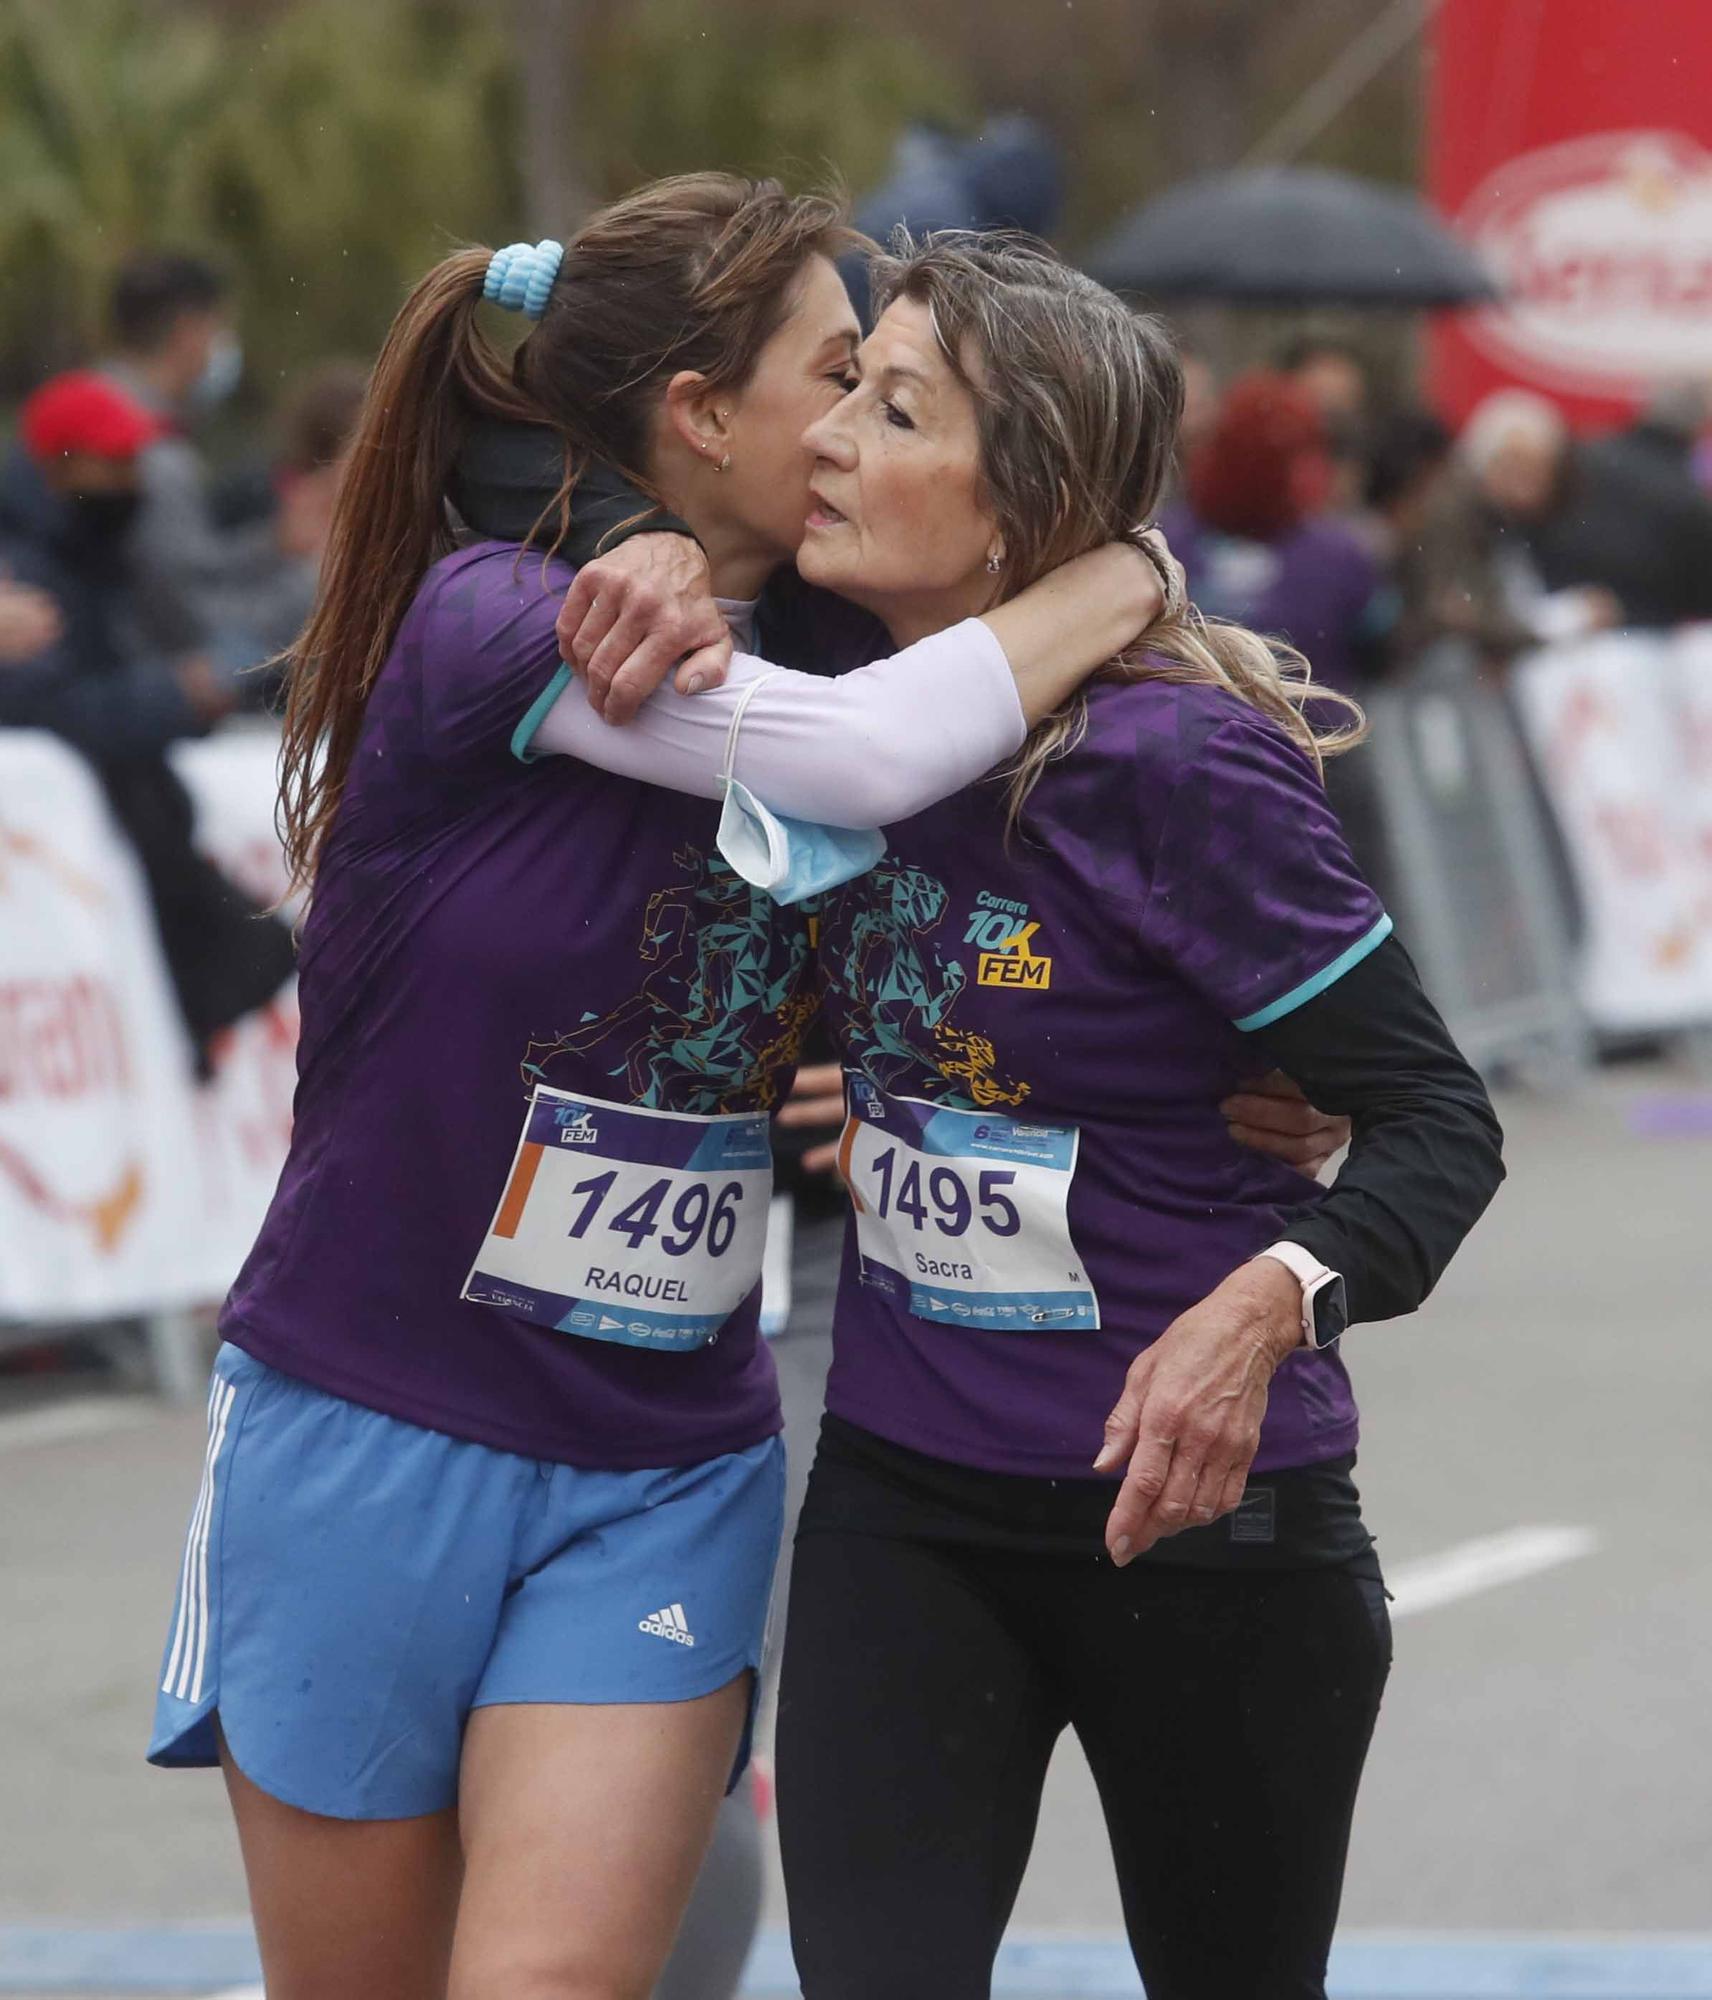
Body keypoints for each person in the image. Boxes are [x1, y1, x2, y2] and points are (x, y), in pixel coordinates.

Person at [144, 175, 1170, 2000]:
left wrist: (1265, 1097)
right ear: (701, 419)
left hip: (658, 1463)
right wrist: (1135, 566)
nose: (863, 427)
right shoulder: (501, 627)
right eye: (839, 380)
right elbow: (853, 766)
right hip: (365, 1428)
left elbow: (1071, 913)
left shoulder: (860, 649)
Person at [747, 235, 1504, 2000]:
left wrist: (1265, 1305)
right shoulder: (812, 665)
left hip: (1201, 1518)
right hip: (904, 1497)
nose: (834, 436)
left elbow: (1431, 1122)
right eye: (844, 386)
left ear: (1015, 514)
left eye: (896, 406)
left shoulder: (1173, 763)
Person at [0, 371, 295, 1071]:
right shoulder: (28, 575)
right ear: (60, 463)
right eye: (116, 461)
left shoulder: (102, 552)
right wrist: (179, 694)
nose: (134, 479)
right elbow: (58, 709)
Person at [99, 251, 310, 662]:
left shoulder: (98, 411)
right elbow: (193, 623)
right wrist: (316, 583)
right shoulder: (148, 451)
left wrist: (273, 546)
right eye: (219, 328)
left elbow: (181, 568)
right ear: (188, 331)